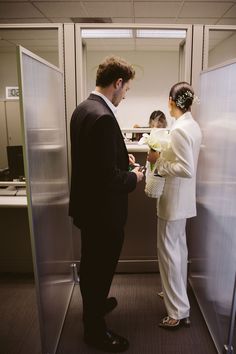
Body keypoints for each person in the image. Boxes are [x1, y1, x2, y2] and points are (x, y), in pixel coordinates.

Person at [69, 56, 144, 352]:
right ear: (118, 83)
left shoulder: (84, 108)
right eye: (126, 90)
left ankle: (96, 304)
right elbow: (108, 180)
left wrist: (117, 158)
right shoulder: (102, 116)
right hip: (103, 213)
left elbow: (92, 161)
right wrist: (134, 177)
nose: (125, 96)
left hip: (88, 209)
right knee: (99, 269)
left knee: (91, 265)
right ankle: (95, 331)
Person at [147, 82, 202, 329]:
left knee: (169, 255)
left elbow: (186, 169)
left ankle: (177, 312)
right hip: (183, 202)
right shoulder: (192, 125)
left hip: (173, 202)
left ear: (171, 100)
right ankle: (176, 295)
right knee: (178, 252)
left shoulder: (179, 130)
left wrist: (159, 162)